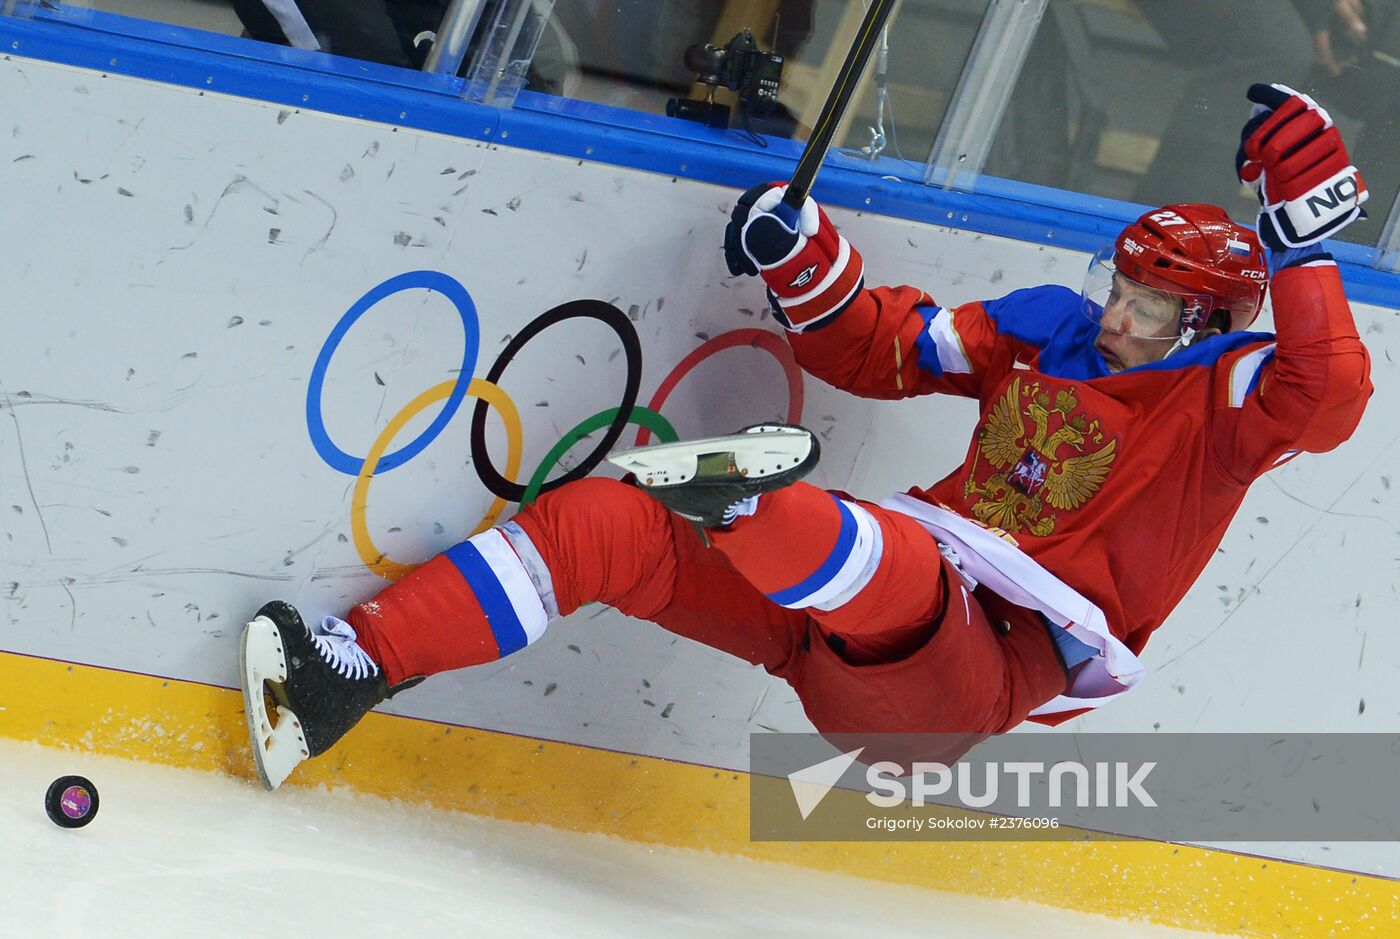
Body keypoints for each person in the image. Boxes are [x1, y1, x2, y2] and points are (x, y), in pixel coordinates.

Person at [239, 83, 1372, 790]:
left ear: (1213, 322)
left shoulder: (1229, 397)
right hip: (834, 623)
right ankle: (337, 679)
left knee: (900, 558)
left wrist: (1306, 245)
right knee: (606, 523)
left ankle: (752, 508)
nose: (1117, 313)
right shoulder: (1046, 329)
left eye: (1149, 306)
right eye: (1118, 286)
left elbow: (1329, 396)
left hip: (957, 681)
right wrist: (800, 258)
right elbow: (882, 350)